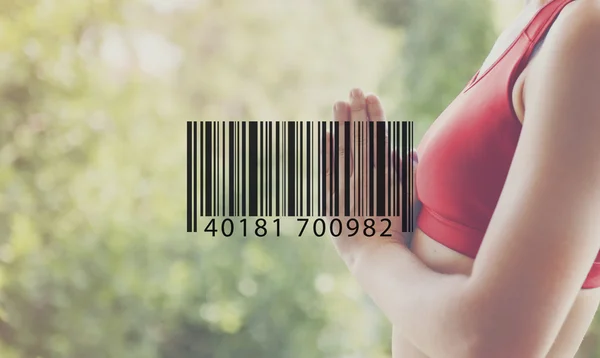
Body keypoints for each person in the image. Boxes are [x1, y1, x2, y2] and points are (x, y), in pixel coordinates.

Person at [324, 0, 600, 357]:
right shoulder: (545, 20)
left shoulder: (588, 34)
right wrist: (407, 227)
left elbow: (494, 343)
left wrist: (367, 250)